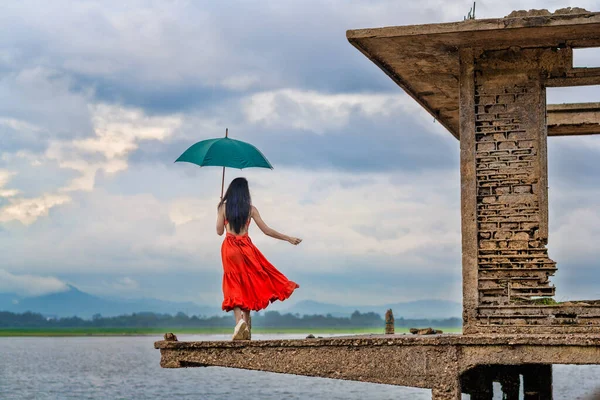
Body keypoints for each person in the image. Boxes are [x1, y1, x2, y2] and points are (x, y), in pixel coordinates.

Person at [216, 177, 301, 340]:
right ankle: (245, 325)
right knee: (247, 283)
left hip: (230, 248)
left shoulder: (223, 208)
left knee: (233, 283)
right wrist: (288, 238)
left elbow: (219, 231)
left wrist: (220, 209)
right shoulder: (251, 209)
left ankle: (239, 322)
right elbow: (267, 230)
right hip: (247, 248)